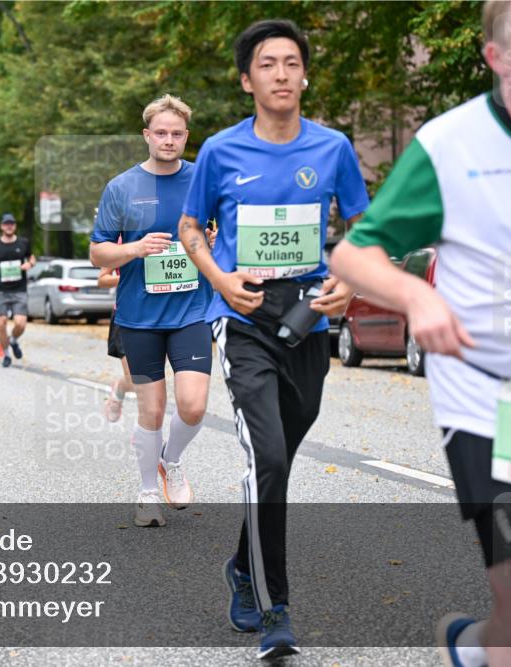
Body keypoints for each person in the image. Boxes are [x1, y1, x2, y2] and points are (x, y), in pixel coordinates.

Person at [331, 2, 511, 665]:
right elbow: (354, 255)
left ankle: (479, 648)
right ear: (499, 58)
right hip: (496, 398)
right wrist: (415, 296)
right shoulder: (451, 145)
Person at [176, 19, 370, 659]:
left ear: (304, 75)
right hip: (246, 316)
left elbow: (366, 229)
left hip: (310, 313)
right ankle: (272, 608)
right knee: (270, 458)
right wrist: (219, 280)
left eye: (291, 62)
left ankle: (240, 563)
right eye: (267, 64)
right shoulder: (220, 152)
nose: (281, 73)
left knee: (279, 456)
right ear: (247, 79)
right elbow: (190, 229)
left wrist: (347, 280)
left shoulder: (334, 147)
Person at [90, 94, 214, 529]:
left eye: (176, 133)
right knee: (153, 411)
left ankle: (171, 460)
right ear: (147, 135)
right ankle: (146, 492)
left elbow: (224, 231)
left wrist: (215, 245)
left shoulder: (203, 180)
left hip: (192, 310)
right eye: (160, 133)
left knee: (195, 406)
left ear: (186, 136)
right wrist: (135, 248)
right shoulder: (122, 187)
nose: (169, 139)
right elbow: (96, 251)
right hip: (140, 316)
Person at [0, 213, 36, 367]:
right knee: (1, 322)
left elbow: (32, 258)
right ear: (2, 226)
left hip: (19, 289)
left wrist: (29, 264)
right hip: (1, 290)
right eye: (6, 223)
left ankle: (14, 341)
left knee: (21, 324)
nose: (9, 226)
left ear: (15, 226)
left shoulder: (23, 243)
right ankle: (6, 354)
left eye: (12, 223)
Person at [98, 264, 135, 422]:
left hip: (160, 315)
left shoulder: (168, 239)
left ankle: (146, 432)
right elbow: (102, 279)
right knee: (136, 379)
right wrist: (128, 278)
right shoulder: (118, 241)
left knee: (152, 380)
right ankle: (119, 390)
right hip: (126, 315)